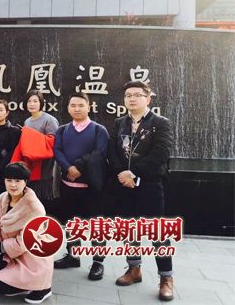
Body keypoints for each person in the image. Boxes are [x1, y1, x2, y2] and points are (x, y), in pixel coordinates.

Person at [107, 81, 175, 301]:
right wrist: (121, 173)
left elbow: (161, 153)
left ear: (148, 99)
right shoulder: (119, 122)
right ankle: (134, 269)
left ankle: (166, 278)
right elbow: (112, 150)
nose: (132, 98)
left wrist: (133, 172)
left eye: (137, 95)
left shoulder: (160, 123)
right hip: (124, 185)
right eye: (128, 95)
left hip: (150, 184)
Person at [53, 92, 109, 281]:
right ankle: (72, 255)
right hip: (68, 185)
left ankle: (98, 262)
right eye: (73, 105)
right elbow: (57, 150)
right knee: (71, 222)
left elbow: (99, 152)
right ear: (68, 108)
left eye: (80, 105)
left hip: (91, 187)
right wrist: (68, 167)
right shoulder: (62, 130)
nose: (76, 109)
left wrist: (78, 166)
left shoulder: (99, 130)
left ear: (88, 107)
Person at [0, 162, 53, 304]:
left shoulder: (35, 208)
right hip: (10, 251)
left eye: (18, 181)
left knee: (0, 286)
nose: (13, 185)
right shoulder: (2, 198)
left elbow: (25, 242)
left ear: (25, 182)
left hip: (31, 257)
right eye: (9, 180)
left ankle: (43, 288)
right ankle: (14, 280)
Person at [11, 90, 59, 211]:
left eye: (35, 101)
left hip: (45, 166)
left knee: (43, 199)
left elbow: (54, 141)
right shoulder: (27, 121)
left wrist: (31, 136)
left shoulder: (49, 120)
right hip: (30, 164)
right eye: (29, 101)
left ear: (41, 103)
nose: (32, 104)